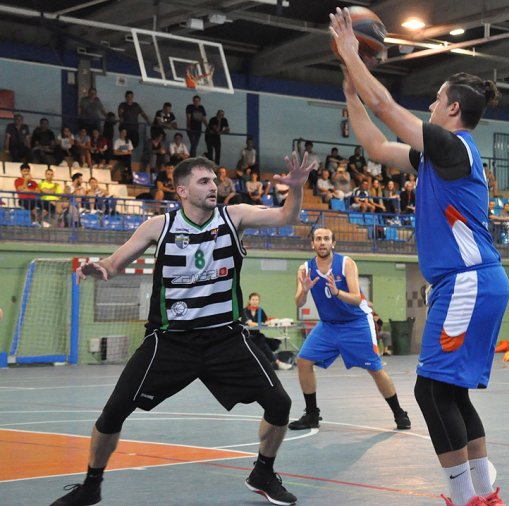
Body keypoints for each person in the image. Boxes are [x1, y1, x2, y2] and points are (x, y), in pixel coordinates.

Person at [50, 154, 315, 506]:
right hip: (170, 340)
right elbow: (113, 264)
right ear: (182, 190)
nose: (214, 187)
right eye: (204, 182)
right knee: (113, 412)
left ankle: (263, 472)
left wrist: (295, 190)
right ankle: (90, 485)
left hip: (226, 336)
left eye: (215, 181)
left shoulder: (233, 217)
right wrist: (99, 268)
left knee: (280, 404)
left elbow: (286, 216)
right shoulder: (158, 227)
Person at [332, 8, 509, 505]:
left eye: (436, 99)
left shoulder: (455, 146)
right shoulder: (437, 155)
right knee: (450, 393)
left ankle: (466, 496)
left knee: (430, 393)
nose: (431, 105)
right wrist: (351, 93)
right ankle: (485, 492)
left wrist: (351, 54)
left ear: (452, 109)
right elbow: (372, 141)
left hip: (468, 282)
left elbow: (387, 106)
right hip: (474, 282)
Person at [288, 227, 411, 431]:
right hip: (328, 326)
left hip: (356, 324)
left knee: (375, 369)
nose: (322, 242)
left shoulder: (346, 263)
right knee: (303, 361)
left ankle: (399, 412)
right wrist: (305, 291)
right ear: (312, 244)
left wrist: (337, 292)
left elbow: (356, 298)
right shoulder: (305, 269)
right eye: (318, 239)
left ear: (333, 243)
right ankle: (311, 414)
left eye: (326, 238)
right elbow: (299, 302)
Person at [242, 292, 286, 370]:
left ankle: (272, 363)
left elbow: (265, 321)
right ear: (249, 301)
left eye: (257, 300)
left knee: (264, 342)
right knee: (264, 343)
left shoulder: (260, 310)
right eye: (253, 299)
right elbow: (250, 323)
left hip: (257, 334)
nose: (255, 301)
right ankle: (276, 362)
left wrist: (270, 322)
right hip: (247, 335)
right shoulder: (245, 311)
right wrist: (262, 324)